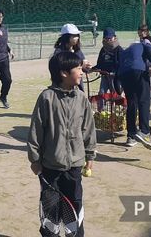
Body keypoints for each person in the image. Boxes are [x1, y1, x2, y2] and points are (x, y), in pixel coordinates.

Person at [27, 51, 96, 237]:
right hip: (50, 167)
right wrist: (34, 160)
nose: (81, 72)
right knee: (51, 209)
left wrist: (90, 155)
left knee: (75, 206)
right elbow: (36, 131)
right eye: (78, 69)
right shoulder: (46, 98)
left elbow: (88, 129)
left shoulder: (81, 98)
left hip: (74, 167)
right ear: (64, 73)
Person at [118, 38, 151, 150]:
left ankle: (131, 136)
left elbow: (117, 74)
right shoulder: (142, 45)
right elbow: (149, 50)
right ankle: (144, 131)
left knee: (131, 104)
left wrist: (119, 90)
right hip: (138, 71)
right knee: (144, 101)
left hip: (124, 75)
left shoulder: (124, 52)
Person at [53, 24, 92, 90]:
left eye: (77, 35)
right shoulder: (59, 52)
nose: (77, 38)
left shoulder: (78, 51)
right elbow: (60, 68)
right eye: (74, 36)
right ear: (66, 37)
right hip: (63, 86)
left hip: (77, 86)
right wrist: (80, 64)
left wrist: (87, 67)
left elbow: (83, 67)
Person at [91, 28, 123, 103]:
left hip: (115, 78)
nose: (108, 40)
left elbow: (121, 64)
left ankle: (117, 109)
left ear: (114, 37)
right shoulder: (103, 50)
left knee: (115, 95)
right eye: (106, 38)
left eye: (110, 38)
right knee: (101, 94)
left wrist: (115, 72)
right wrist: (92, 69)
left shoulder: (119, 49)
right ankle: (100, 109)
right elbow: (99, 63)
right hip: (104, 77)